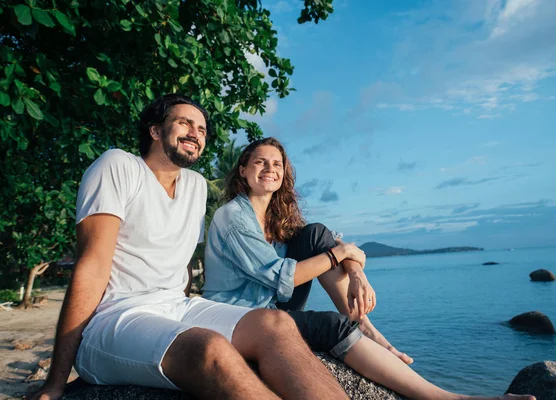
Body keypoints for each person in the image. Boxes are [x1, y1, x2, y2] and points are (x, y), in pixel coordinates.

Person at [29, 96, 348, 400]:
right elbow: (92, 267)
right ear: (155, 130)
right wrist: (56, 381)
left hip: (177, 306)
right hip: (116, 315)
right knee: (209, 348)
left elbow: (179, 266)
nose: (196, 133)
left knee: (275, 324)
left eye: (202, 129)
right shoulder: (118, 166)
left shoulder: (195, 186)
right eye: (184, 123)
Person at [203, 137, 535, 400]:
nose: (269, 168)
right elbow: (281, 276)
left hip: (270, 305)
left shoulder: (275, 220)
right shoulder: (233, 216)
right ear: (243, 170)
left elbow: (336, 250)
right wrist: (342, 254)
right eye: (260, 162)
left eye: (276, 163)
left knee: (314, 233)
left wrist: (357, 273)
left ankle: (368, 328)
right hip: (240, 317)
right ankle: (446, 397)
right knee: (332, 325)